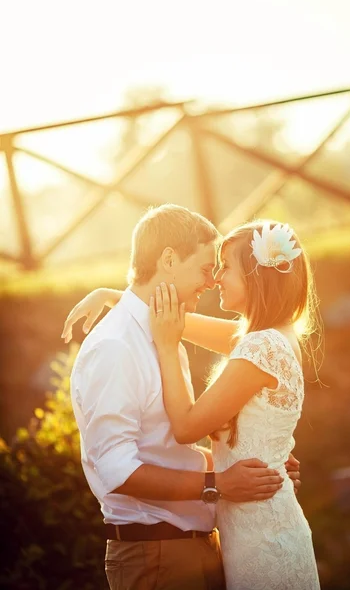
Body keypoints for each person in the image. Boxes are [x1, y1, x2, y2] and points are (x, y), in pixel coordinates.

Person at [66, 204, 301, 590]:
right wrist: (219, 483)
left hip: (194, 547)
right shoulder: (115, 348)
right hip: (156, 556)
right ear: (170, 260)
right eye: (207, 267)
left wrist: (260, 464)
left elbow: (163, 448)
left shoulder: (164, 332)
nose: (211, 281)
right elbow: (117, 471)